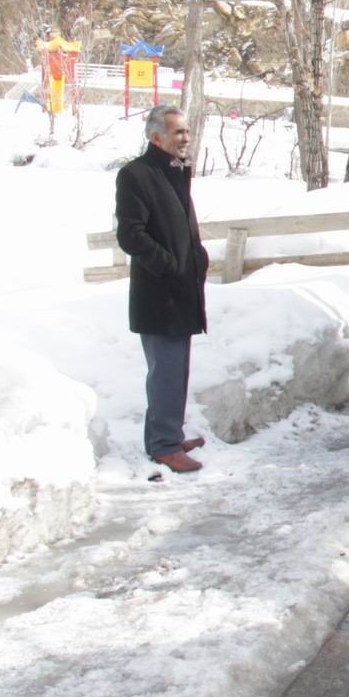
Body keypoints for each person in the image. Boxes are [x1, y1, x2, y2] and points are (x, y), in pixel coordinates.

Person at [115, 105, 210, 473]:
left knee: (177, 369)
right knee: (166, 371)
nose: (185, 138)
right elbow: (131, 234)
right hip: (160, 293)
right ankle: (163, 446)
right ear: (156, 137)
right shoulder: (136, 175)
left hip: (182, 290)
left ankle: (169, 433)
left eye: (186, 131)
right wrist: (170, 266)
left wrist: (196, 259)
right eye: (177, 133)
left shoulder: (174, 171)